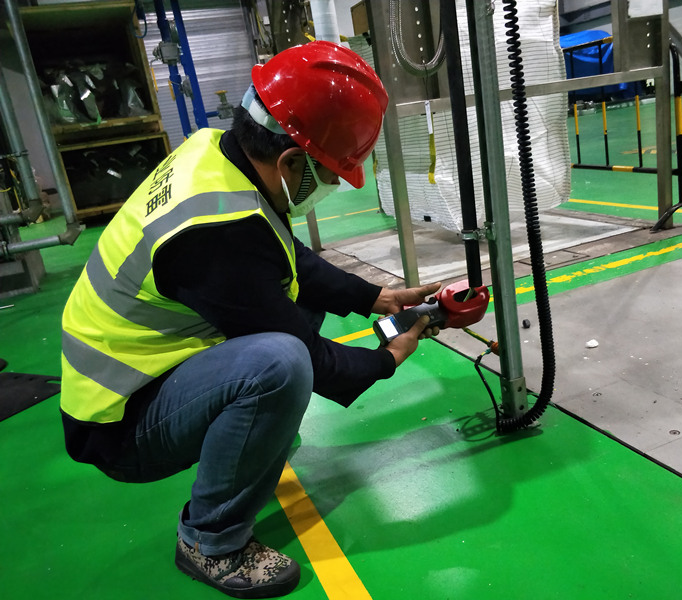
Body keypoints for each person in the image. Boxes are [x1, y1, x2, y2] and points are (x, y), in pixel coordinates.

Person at [60, 41, 439, 599]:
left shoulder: (216, 153)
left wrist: (374, 297)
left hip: (149, 370)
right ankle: (209, 540)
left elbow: (281, 255)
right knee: (281, 363)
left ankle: (250, 438)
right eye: (331, 174)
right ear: (290, 162)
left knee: (293, 313)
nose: (331, 187)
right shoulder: (213, 231)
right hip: (118, 423)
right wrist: (385, 359)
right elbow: (308, 356)